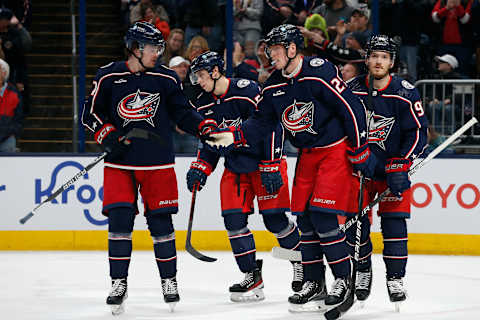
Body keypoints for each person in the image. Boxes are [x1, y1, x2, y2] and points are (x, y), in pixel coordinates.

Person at [205, 24, 375, 308]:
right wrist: (234, 135)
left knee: (323, 217)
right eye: (269, 49)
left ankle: (342, 278)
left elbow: (351, 108)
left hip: (334, 151)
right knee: (306, 220)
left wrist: (359, 149)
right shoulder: (273, 84)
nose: (270, 54)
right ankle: (314, 281)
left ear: (292, 48)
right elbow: (261, 122)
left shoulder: (319, 71)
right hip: (307, 155)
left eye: (275, 48)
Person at [81, 22, 218, 315]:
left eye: (160, 47)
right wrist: (108, 135)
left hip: (158, 163)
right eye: (154, 47)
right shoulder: (108, 76)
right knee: (119, 224)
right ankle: (118, 282)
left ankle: (169, 281)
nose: (159, 52)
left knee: (161, 225)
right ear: (135, 48)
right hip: (120, 164)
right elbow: (89, 113)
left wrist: (202, 125)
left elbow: (183, 112)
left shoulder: (166, 78)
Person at [186, 51, 303, 302]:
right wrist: (201, 167)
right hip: (236, 167)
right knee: (233, 221)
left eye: (202, 76)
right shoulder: (204, 103)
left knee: (275, 221)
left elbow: (273, 125)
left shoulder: (247, 90)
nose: (199, 82)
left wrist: (271, 163)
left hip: (264, 163)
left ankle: (302, 262)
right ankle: (252, 275)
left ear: (216, 72)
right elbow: (210, 143)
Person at [347, 34, 428, 306]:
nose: (378, 61)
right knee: (356, 224)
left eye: (384, 57)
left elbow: (418, 133)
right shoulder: (351, 89)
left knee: (394, 225)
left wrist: (401, 162)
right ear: (366, 58)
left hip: (393, 170)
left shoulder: (405, 91)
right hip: (360, 171)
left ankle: (395, 278)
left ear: (392, 61)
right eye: (374, 56)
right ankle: (363, 270)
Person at [0, 58, 22, 152]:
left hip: (7, 139)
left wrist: (12, 131)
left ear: (4, 73)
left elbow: (20, 116)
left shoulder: (14, 93)